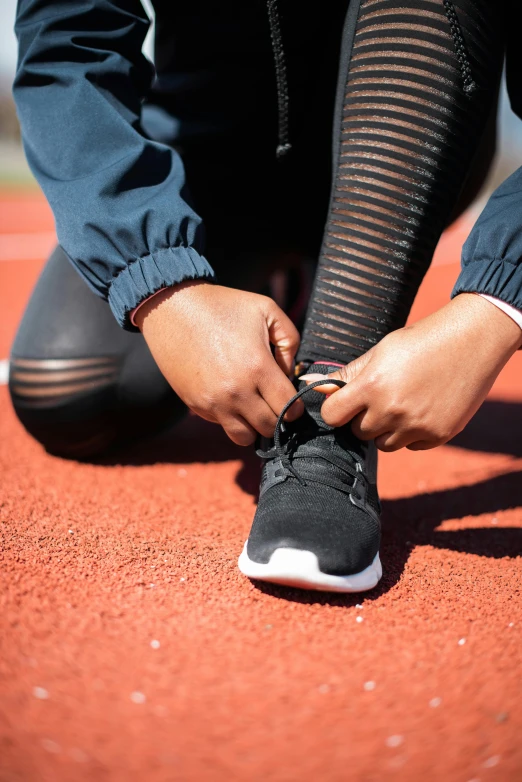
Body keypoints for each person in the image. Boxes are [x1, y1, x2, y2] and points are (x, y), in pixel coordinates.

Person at [11, 0, 522, 592]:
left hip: (407, 132)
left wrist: (499, 303)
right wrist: (160, 287)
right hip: (215, 158)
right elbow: (69, 44)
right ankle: (293, 283)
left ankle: (326, 423)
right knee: (68, 393)